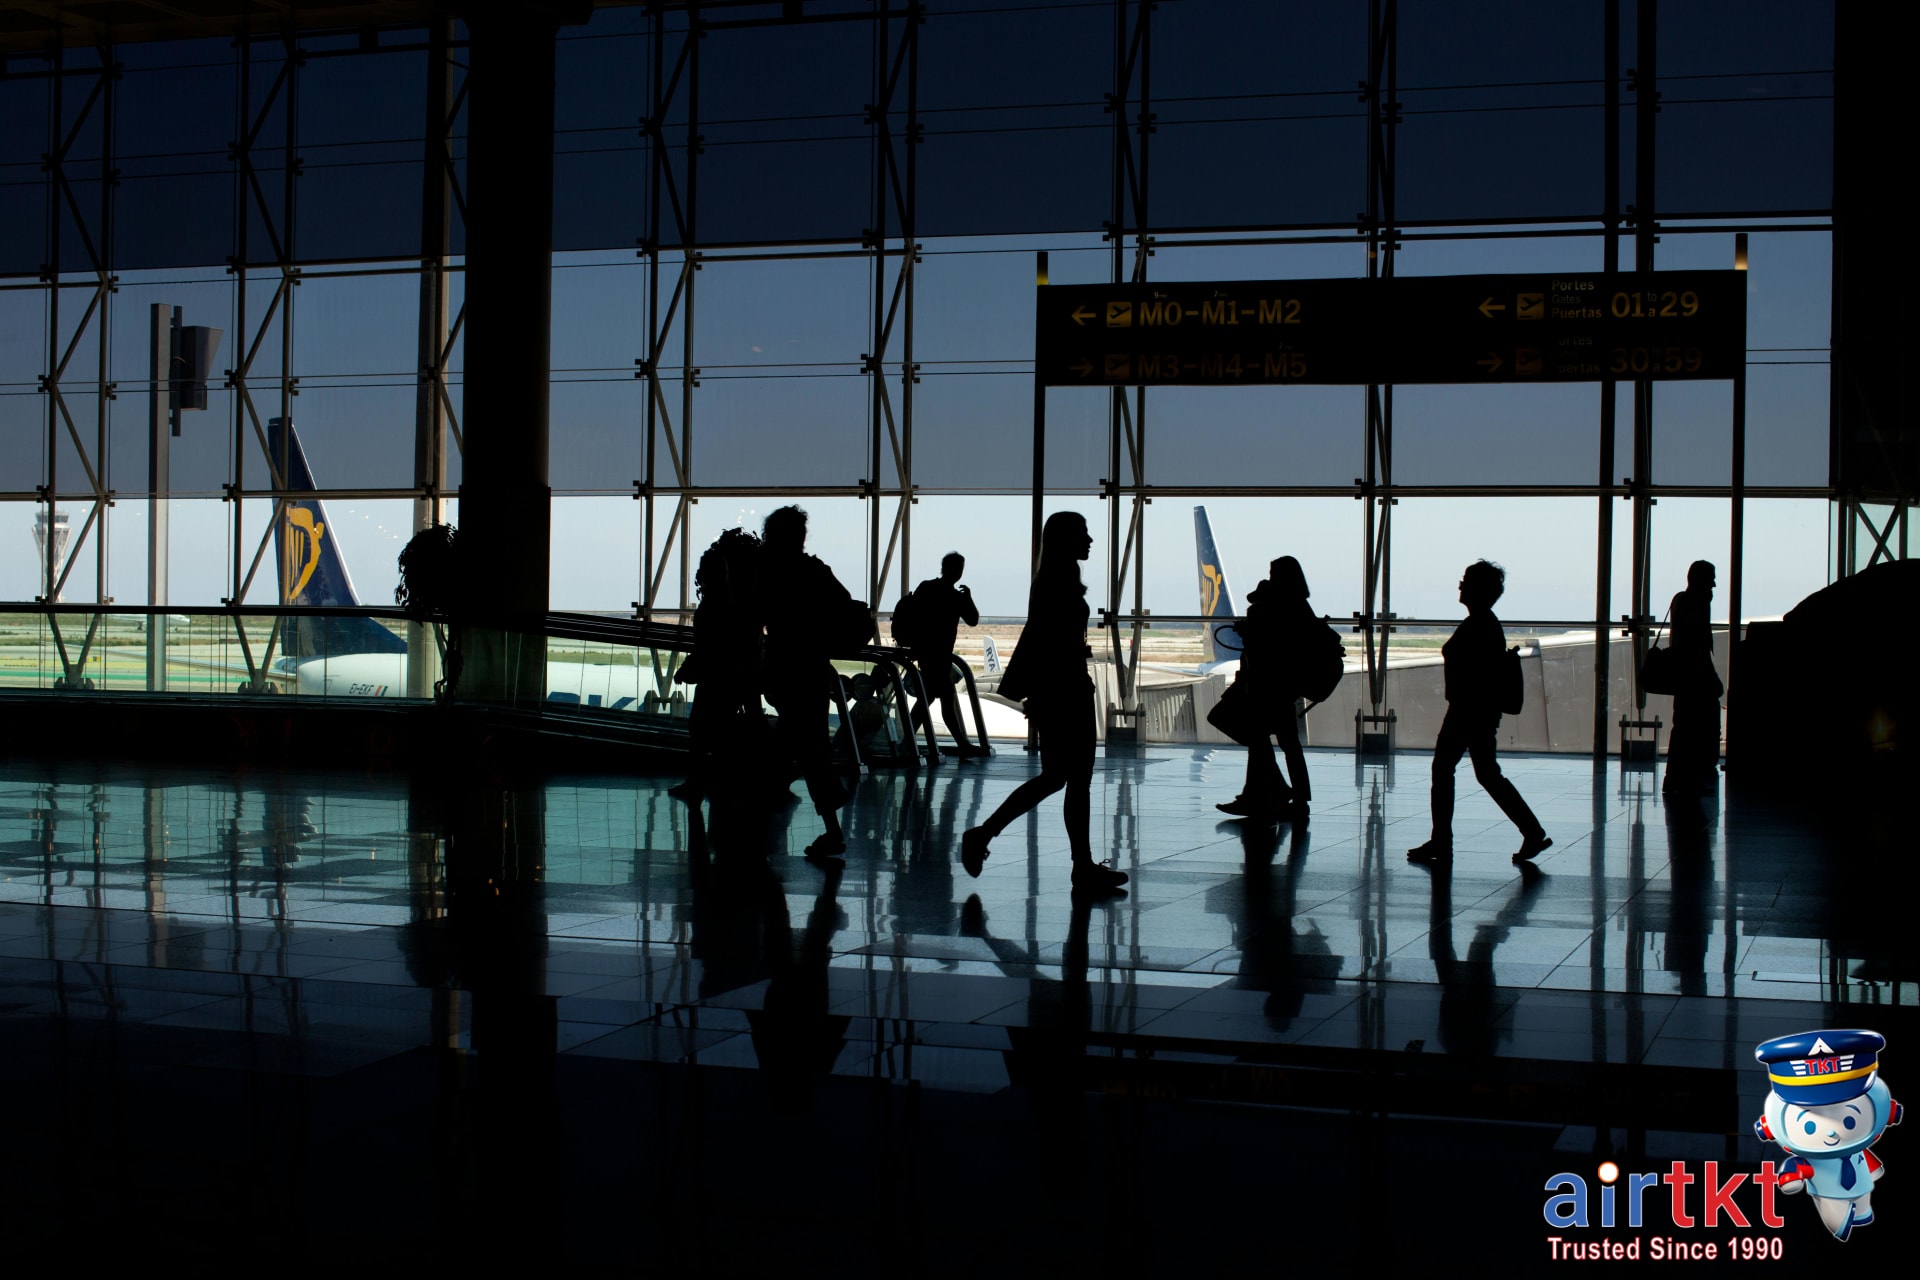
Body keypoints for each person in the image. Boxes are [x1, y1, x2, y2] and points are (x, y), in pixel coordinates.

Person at [958, 512, 1127, 895]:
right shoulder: (1057, 583)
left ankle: (990, 836)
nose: (1090, 540)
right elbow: (1048, 641)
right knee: (1072, 779)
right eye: (1083, 534)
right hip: (1064, 690)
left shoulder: (1053, 580)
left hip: (1059, 689)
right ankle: (1077, 866)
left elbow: (1041, 639)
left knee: (1060, 778)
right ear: (1067, 540)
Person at [1407, 560, 1552, 867]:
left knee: (1447, 769)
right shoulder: (1484, 623)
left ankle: (1443, 839)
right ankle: (1531, 831)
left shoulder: (1479, 625)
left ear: (1477, 590)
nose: (1460, 586)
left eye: (1465, 581)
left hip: (1468, 711)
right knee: (1484, 773)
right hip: (1476, 711)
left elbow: (1473, 673)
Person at [759, 505, 852, 863]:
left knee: (798, 745)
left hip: (783, 666)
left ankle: (766, 821)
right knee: (808, 745)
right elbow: (844, 606)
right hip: (812, 667)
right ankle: (829, 826)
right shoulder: (814, 570)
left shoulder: (766, 570)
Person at [1216, 555, 1315, 822]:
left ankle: (1270, 792)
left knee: (1258, 739)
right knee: (1285, 743)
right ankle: (1281, 796)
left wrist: (1248, 632)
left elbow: (1263, 648)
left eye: (1272, 573)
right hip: (1286, 686)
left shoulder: (1271, 606)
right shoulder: (1300, 606)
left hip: (1265, 686)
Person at [671, 529, 763, 803]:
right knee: (716, 731)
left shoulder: (713, 604)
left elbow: (707, 645)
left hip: (714, 678)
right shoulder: (731, 602)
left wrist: (688, 669)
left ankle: (697, 782)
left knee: (700, 729)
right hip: (727, 677)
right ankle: (713, 781)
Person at [905, 552, 983, 755]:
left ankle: (907, 741)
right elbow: (973, 620)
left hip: (927, 653)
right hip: (939, 655)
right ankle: (961, 744)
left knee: (928, 699)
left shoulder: (926, 588)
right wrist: (969, 598)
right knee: (943, 698)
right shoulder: (955, 597)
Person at [1662, 560, 1723, 796]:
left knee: (1684, 730)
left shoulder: (1681, 601)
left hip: (1685, 676)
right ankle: (1690, 779)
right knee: (1695, 730)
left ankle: (1676, 779)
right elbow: (1698, 645)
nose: (1714, 585)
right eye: (1711, 579)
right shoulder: (1696, 604)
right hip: (1695, 676)